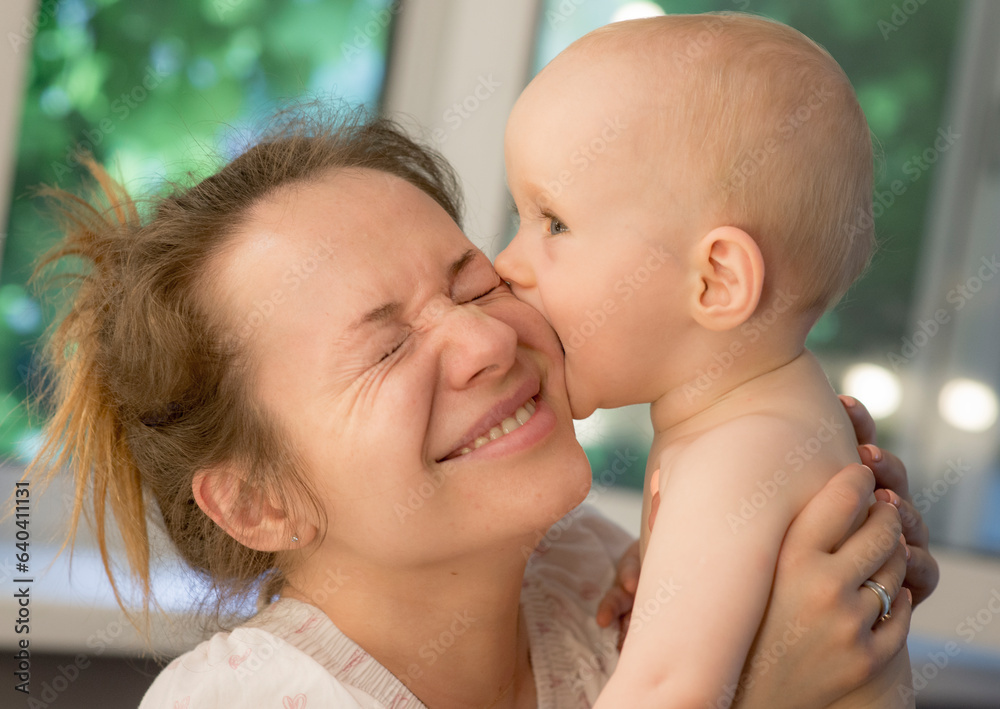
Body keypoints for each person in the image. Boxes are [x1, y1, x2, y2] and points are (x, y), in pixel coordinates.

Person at [26, 108, 934, 709]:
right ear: (263, 503)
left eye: (476, 282)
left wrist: (814, 562)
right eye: (384, 349)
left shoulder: (583, 572)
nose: (490, 341)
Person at [497, 12, 917, 709]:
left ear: (717, 280)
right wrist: (668, 571)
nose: (508, 263)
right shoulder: (757, 415)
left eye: (555, 223)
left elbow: (668, 690)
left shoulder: (737, 456)